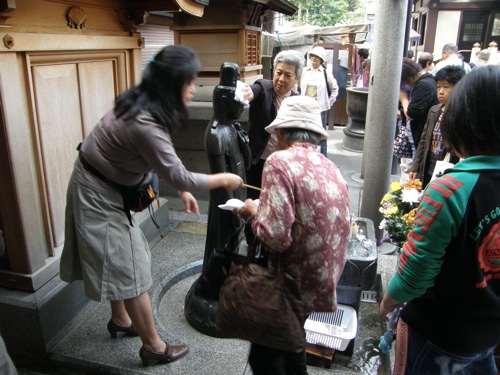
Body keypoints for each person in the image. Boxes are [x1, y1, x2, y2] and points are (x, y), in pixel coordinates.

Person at [59, 45, 243, 367]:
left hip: (102, 188)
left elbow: (154, 159)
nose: (193, 88)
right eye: (189, 81)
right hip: (97, 194)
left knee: (115, 258)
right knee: (132, 268)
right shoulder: (147, 121)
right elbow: (179, 174)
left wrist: (182, 189)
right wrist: (223, 178)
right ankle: (154, 347)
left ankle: (120, 320)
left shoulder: (142, 102)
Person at [380, 65, 500, 375]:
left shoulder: (450, 189)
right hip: (490, 329)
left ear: (463, 119)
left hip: (441, 332)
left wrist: (390, 298)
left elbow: (418, 267)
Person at [235, 96, 351, 374]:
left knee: (265, 359)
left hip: (289, 282)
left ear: (282, 132)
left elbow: (275, 237)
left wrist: (253, 211)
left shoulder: (279, 162)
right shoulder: (328, 166)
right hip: (322, 280)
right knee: (292, 343)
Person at [242, 50, 304, 202]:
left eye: (288, 75)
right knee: (253, 202)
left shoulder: (297, 101)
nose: (281, 79)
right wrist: (247, 92)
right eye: (278, 72)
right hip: (259, 161)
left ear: (297, 79)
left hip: (284, 164)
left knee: (277, 202)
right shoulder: (264, 89)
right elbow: (254, 90)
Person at [409, 65, 466, 187]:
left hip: (448, 170)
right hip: (428, 167)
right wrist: (416, 166)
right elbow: (423, 141)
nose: (440, 91)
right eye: (438, 87)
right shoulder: (434, 111)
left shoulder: (464, 113)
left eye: (446, 87)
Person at [300, 45, 339, 156]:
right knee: (304, 132)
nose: (314, 58)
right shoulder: (304, 71)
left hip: (319, 109)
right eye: (312, 56)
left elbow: (335, 89)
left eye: (316, 56)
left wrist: (328, 103)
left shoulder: (326, 73)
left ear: (321, 59)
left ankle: (322, 156)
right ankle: (307, 155)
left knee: (320, 134)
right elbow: (298, 86)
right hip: (305, 108)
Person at [399, 57, 439, 150]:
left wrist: (404, 99)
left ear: (409, 76)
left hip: (422, 135)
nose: (406, 84)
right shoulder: (429, 80)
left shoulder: (423, 85)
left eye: (405, 82)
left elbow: (412, 114)